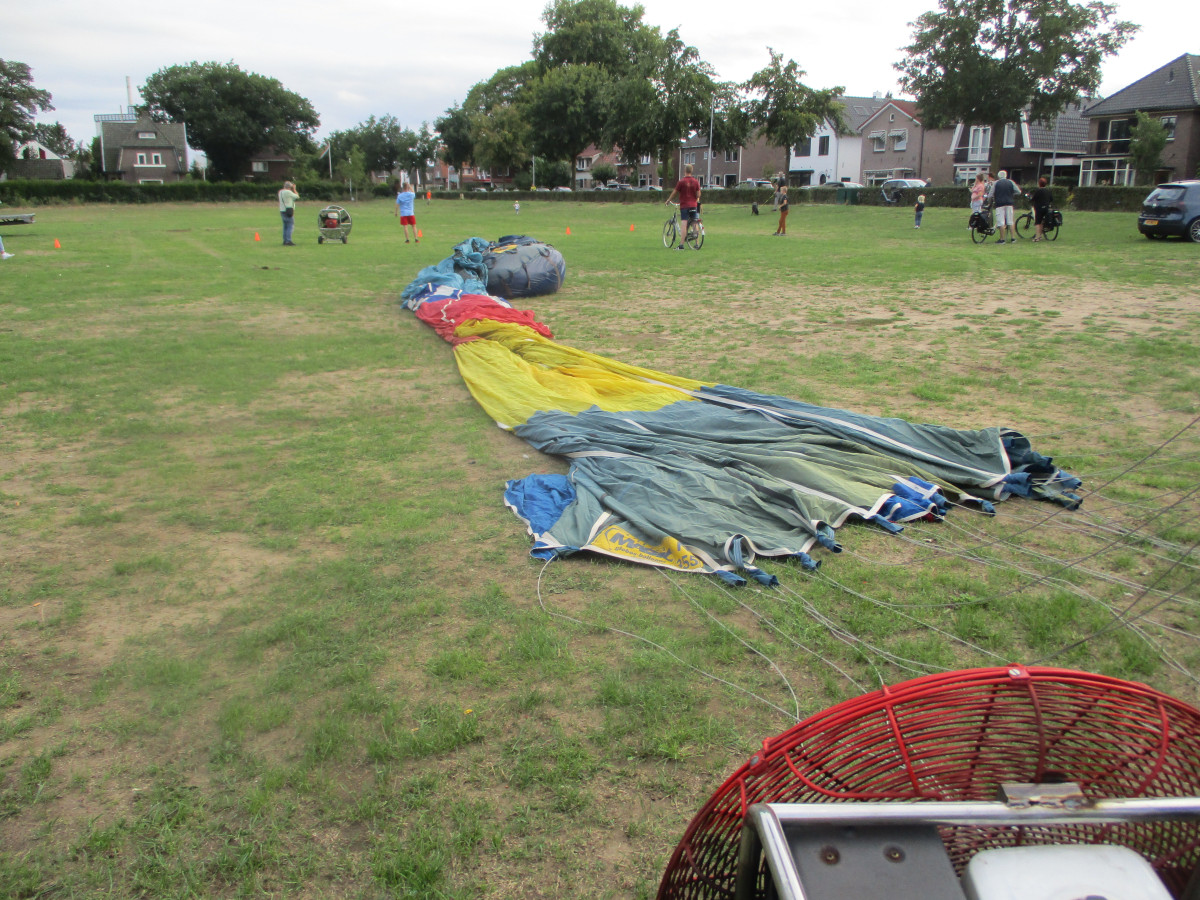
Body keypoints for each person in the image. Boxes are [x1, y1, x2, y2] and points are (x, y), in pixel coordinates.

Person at [665, 163, 702, 250]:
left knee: (684, 224)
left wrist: (668, 200)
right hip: (694, 205)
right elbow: (698, 194)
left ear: (685, 171)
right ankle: (697, 244)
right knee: (694, 223)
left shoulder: (681, 182)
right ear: (692, 171)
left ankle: (681, 245)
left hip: (684, 206)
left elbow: (674, 192)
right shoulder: (696, 182)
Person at [991, 169, 1019, 244]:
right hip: (1009, 203)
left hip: (999, 204)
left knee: (1001, 222)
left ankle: (1002, 239)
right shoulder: (1011, 182)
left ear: (998, 176)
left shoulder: (996, 183)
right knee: (1010, 221)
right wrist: (1011, 194)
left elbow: (991, 193)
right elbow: (1018, 191)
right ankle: (1013, 238)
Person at [1029, 176, 1053, 242]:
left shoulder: (1038, 191)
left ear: (1039, 184)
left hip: (1039, 208)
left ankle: (1037, 237)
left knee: (1038, 222)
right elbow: (1051, 199)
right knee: (1042, 222)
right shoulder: (1048, 191)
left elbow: (1034, 199)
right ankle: (1040, 236)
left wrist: (1031, 199)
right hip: (1046, 208)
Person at [278, 181, 299, 246]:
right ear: (289, 187)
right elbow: (297, 196)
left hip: (282, 210)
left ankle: (285, 240)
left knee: (285, 226)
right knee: (290, 226)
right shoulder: (288, 192)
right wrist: (294, 189)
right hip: (288, 210)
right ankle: (288, 241)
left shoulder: (280, 192)